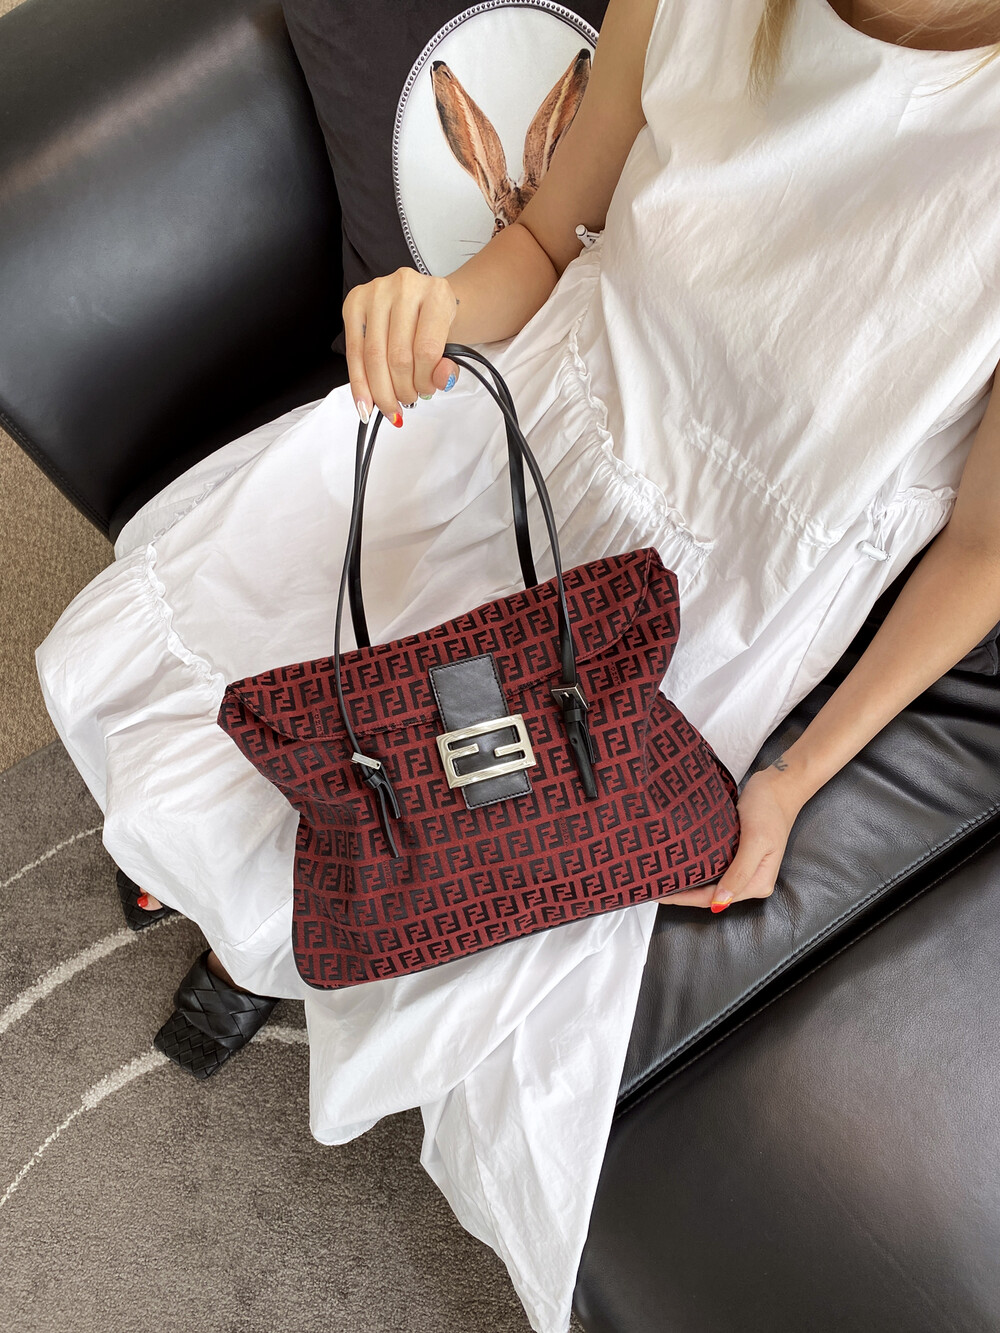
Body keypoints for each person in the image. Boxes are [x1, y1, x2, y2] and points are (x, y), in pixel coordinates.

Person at [35, 1, 1000, 1329]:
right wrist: (433, 307)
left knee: (472, 842)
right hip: (542, 415)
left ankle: (292, 940)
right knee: (290, 694)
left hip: (710, 595)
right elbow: (546, 242)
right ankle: (258, 932)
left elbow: (982, 553)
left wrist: (794, 777)